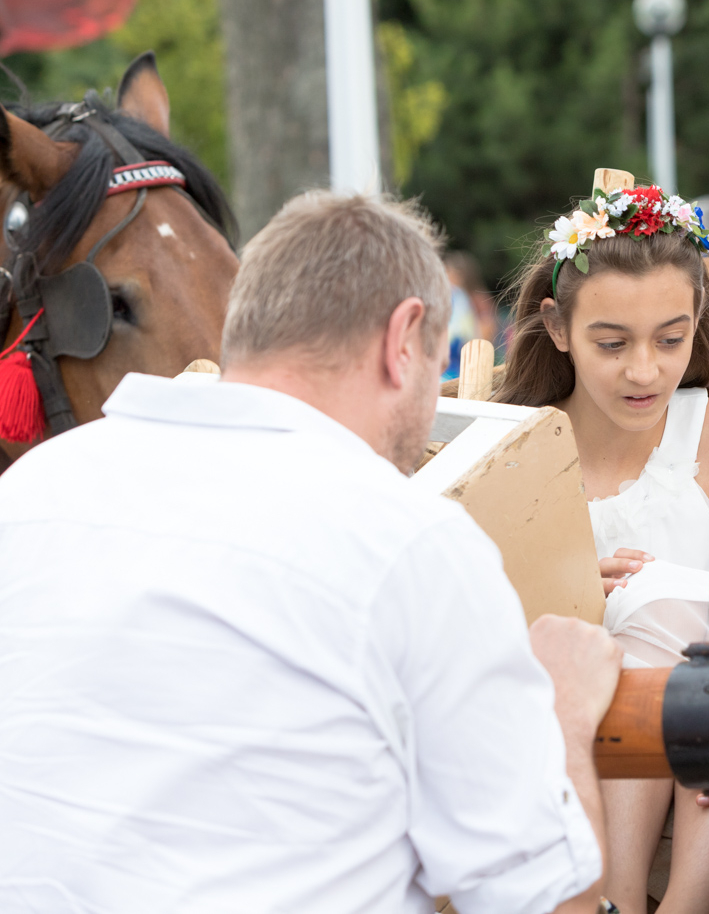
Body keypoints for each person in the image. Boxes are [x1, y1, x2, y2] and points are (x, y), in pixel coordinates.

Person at [0, 191, 620, 914]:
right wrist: (565, 721)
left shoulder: (27, 494)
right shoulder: (408, 540)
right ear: (403, 338)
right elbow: (549, 904)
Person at [496, 183, 709, 914]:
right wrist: (572, 593)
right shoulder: (519, 453)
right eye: (613, 343)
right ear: (560, 326)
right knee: (632, 616)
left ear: (697, 322)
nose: (644, 370)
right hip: (559, 725)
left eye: (670, 339)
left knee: (672, 605)